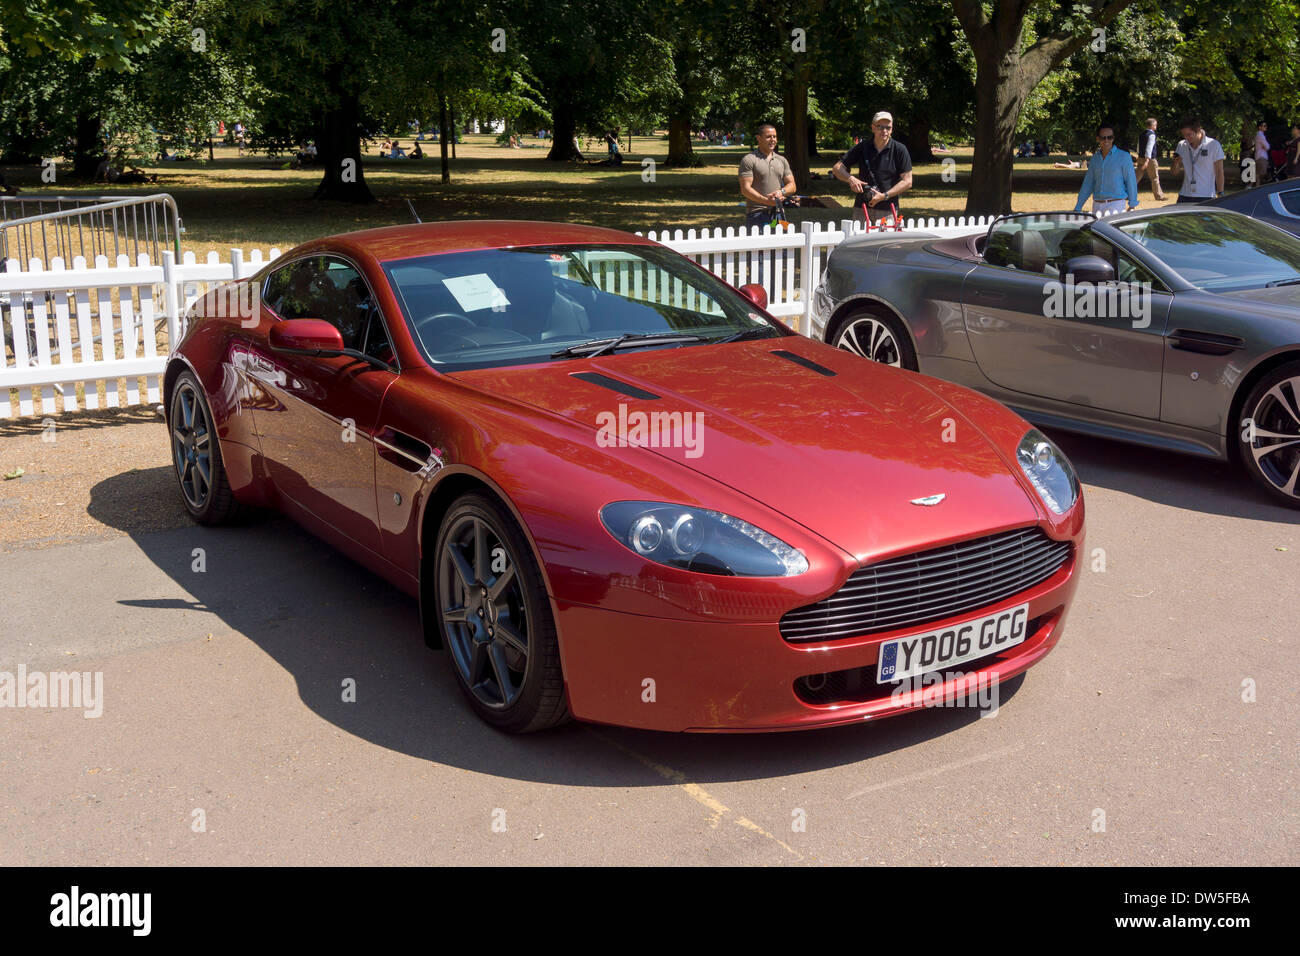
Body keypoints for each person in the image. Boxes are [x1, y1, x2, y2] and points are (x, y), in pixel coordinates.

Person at [832, 111, 913, 224]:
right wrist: (851, 179)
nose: (884, 131)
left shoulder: (900, 149)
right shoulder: (862, 147)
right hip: (862, 207)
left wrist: (884, 196)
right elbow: (837, 168)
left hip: (887, 209)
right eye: (880, 127)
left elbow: (908, 181)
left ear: (892, 129)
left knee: (885, 242)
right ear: (873, 128)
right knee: (860, 241)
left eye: (888, 127)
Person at [737, 123, 796, 230]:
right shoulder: (749, 160)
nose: (772, 139)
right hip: (757, 215)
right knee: (760, 246)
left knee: (780, 245)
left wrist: (781, 192)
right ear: (758, 138)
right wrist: (766, 201)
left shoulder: (782, 160)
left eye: (775, 136)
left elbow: (792, 185)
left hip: (778, 215)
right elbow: (745, 189)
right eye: (768, 137)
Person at [1074, 122, 1138, 215]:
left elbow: (1130, 181)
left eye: (1110, 137)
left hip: (1116, 204)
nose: (1106, 140)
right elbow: (1088, 183)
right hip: (1097, 204)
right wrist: (1078, 206)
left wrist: (1132, 205)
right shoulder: (1095, 158)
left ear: (1113, 138)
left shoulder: (1124, 156)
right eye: (1103, 138)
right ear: (1097, 139)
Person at [1170, 118, 1225, 203]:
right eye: (1184, 135)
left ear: (1198, 130)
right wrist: (1176, 163)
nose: (1186, 137)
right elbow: (1174, 172)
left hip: (1206, 196)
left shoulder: (1213, 145)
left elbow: (1219, 171)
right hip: (1185, 195)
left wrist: (1220, 192)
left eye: (1189, 134)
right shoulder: (1181, 145)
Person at [1135, 117, 1165, 200]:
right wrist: (1147, 160)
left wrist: (1139, 156)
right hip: (1150, 159)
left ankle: (1127, 193)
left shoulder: (1141, 134)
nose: (1156, 126)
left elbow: (1138, 146)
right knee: (1154, 177)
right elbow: (1149, 147)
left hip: (1140, 157)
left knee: (1136, 177)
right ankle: (1159, 196)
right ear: (1152, 126)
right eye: (1155, 124)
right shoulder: (1151, 135)